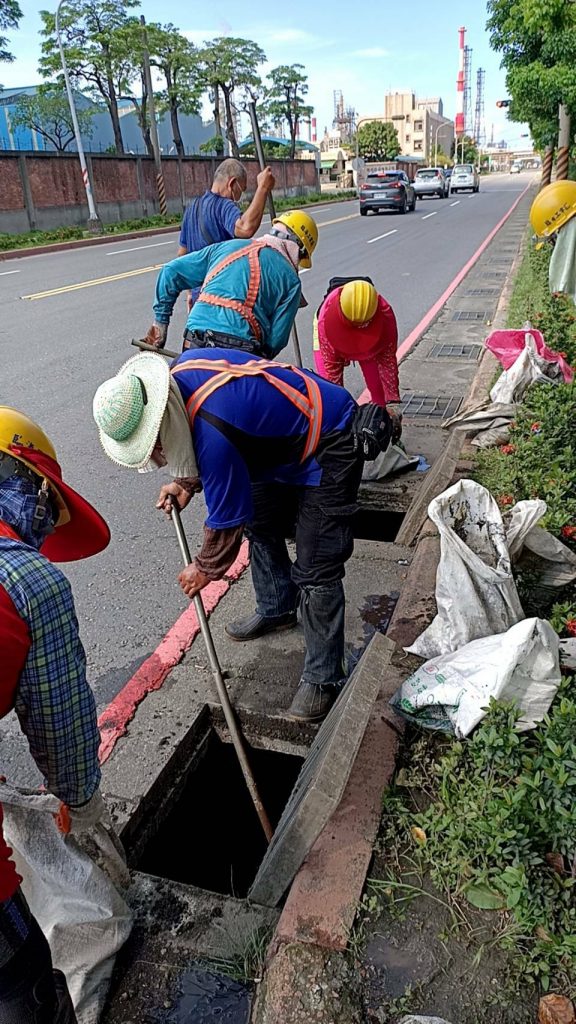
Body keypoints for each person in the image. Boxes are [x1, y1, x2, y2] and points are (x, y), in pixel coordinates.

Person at [93, 350, 393, 724]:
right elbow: (211, 436)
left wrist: (203, 569)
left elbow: (225, 521)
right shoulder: (179, 377)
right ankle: (278, 607)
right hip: (280, 443)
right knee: (261, 521)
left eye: (154, 448)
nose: (157, 457)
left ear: (158, 419)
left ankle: (325, 676)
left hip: (330, 436)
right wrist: (187, 483)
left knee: (317, 565)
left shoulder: (212, 434)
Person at [0, 407, 110, 1023]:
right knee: (27, 988)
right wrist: (83, 810)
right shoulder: (27, 577)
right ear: (34, 487)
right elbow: (61, 730)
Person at [144, 210, 318, 357]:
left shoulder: (225, 247)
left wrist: (160, 325)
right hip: (240, 354)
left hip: (194, 343)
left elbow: (170, 272)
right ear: (299, 251)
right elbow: (276, 341)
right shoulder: (292, 281)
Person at [178, 159, 276, 314]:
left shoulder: (192, 209)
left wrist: (190, 293)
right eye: (240, 191)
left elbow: (182, 256)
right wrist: (263, 188)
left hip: (199, 301)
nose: (238, 198)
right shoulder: (223, 205)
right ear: (232, 184)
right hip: (221, 301)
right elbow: (245, 228)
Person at [313, 278, 401, 410]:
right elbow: (332, 372)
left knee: (378, 389)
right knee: (329, 393)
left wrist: (392, 402)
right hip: (332, 332)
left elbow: (387, 361)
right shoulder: (325, 322)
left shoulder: (385, 316)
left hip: (372, 333)